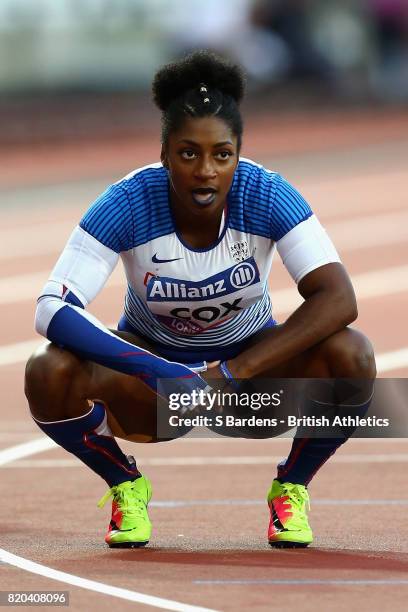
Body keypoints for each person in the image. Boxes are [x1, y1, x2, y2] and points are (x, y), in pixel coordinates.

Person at [24, 50, 376, 549]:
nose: (205, 171)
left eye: (221, 155)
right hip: (155, 390)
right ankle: (126, 485)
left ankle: (291, 488)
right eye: (188, 154)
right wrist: (160, 372)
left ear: (238, 154)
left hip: (247, 385)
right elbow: (50, 307)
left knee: (352, 354)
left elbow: (339, 298)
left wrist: (230, 373)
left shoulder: (268, 194)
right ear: (165, 153)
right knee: (47, 368)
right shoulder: (127, 201)